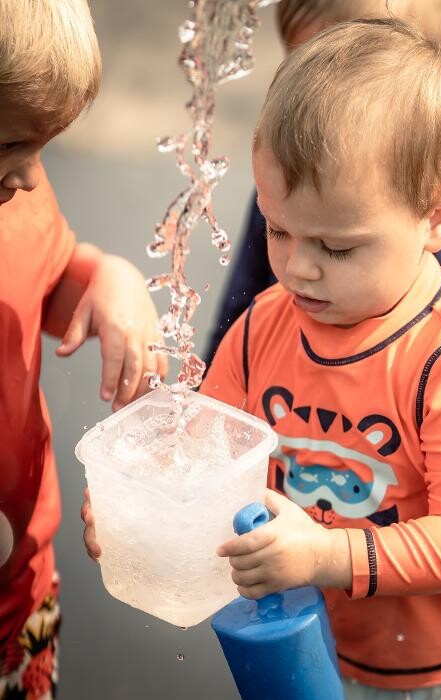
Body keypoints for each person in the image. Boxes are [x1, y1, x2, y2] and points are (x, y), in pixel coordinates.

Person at [207, 19, 441, 697]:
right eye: (277, 229)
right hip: (327, 646)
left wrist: (325, 555)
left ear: (437, 221)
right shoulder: (260, 330)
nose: (298, 268)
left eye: (338, 247)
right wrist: (152, 507)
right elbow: (208, 451)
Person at [0, 1, 167, 696]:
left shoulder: (17, 202)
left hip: (25, 597)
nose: (33, 176)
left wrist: (108, 280)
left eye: (45, 149)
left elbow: (50, 280)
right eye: (10, 148)